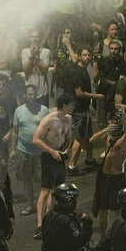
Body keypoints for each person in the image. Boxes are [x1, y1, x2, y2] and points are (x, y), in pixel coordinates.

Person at [31, 94, 74, 240]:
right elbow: (35, 139)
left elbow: (68, 138)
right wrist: (51, 151)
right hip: (49, 156)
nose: (73, 107)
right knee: (45, 190)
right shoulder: (49, 120)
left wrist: (65, 150)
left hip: (59, 156)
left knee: (56, 190)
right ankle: (39, 225)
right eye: (71, 104)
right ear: (64, 106)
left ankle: (49, 221)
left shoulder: (68, 119)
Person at [37, 183, 94, 251]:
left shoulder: (49, 215)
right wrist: (87, 224)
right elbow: (80, 241)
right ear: (68, 201)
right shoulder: (68, 221)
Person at [90, 110, 126, 236]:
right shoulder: (108, 136)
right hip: (104, 177)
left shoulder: (125, 138)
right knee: (103, 210)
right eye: (112, 120)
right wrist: (106, 129)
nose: (114, 123)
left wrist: (124, 115)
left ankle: (119, 236)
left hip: (117, 178)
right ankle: (103, 238)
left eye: (116, 121)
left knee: (118, 211)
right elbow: (91, 140)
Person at [11, 84, 49, 216]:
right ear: (24, 95)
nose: (32, 97)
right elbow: (15, 131)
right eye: (29, 94)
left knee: (43, 180)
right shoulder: (18, 111)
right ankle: (29, 205)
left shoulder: (44, 110)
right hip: (23, 151)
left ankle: (42, 206)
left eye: (34, 94)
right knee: (26, 179)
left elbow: (49, 130)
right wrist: (12, 149)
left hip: (39, 152)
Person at [68, 47, 101, 176]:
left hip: (83, 108)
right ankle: (71, 166)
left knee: (88, 133)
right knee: (80, 137)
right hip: (79, 108)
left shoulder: (82, 69)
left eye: (89, 55)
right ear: (79, 56)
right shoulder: (79, 72)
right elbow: (79, 93)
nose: (87, 57)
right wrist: (95, 96)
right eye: (84, 55)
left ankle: (90, 158)